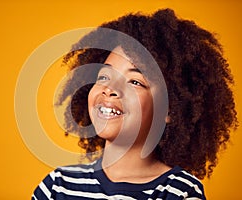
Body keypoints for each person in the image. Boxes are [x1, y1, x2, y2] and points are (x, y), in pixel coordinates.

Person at [32, 8, 238, 199]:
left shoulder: (178, 191)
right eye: (104, 77)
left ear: (170, 109)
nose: (110, 88)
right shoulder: (58, 186)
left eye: (135, 82)